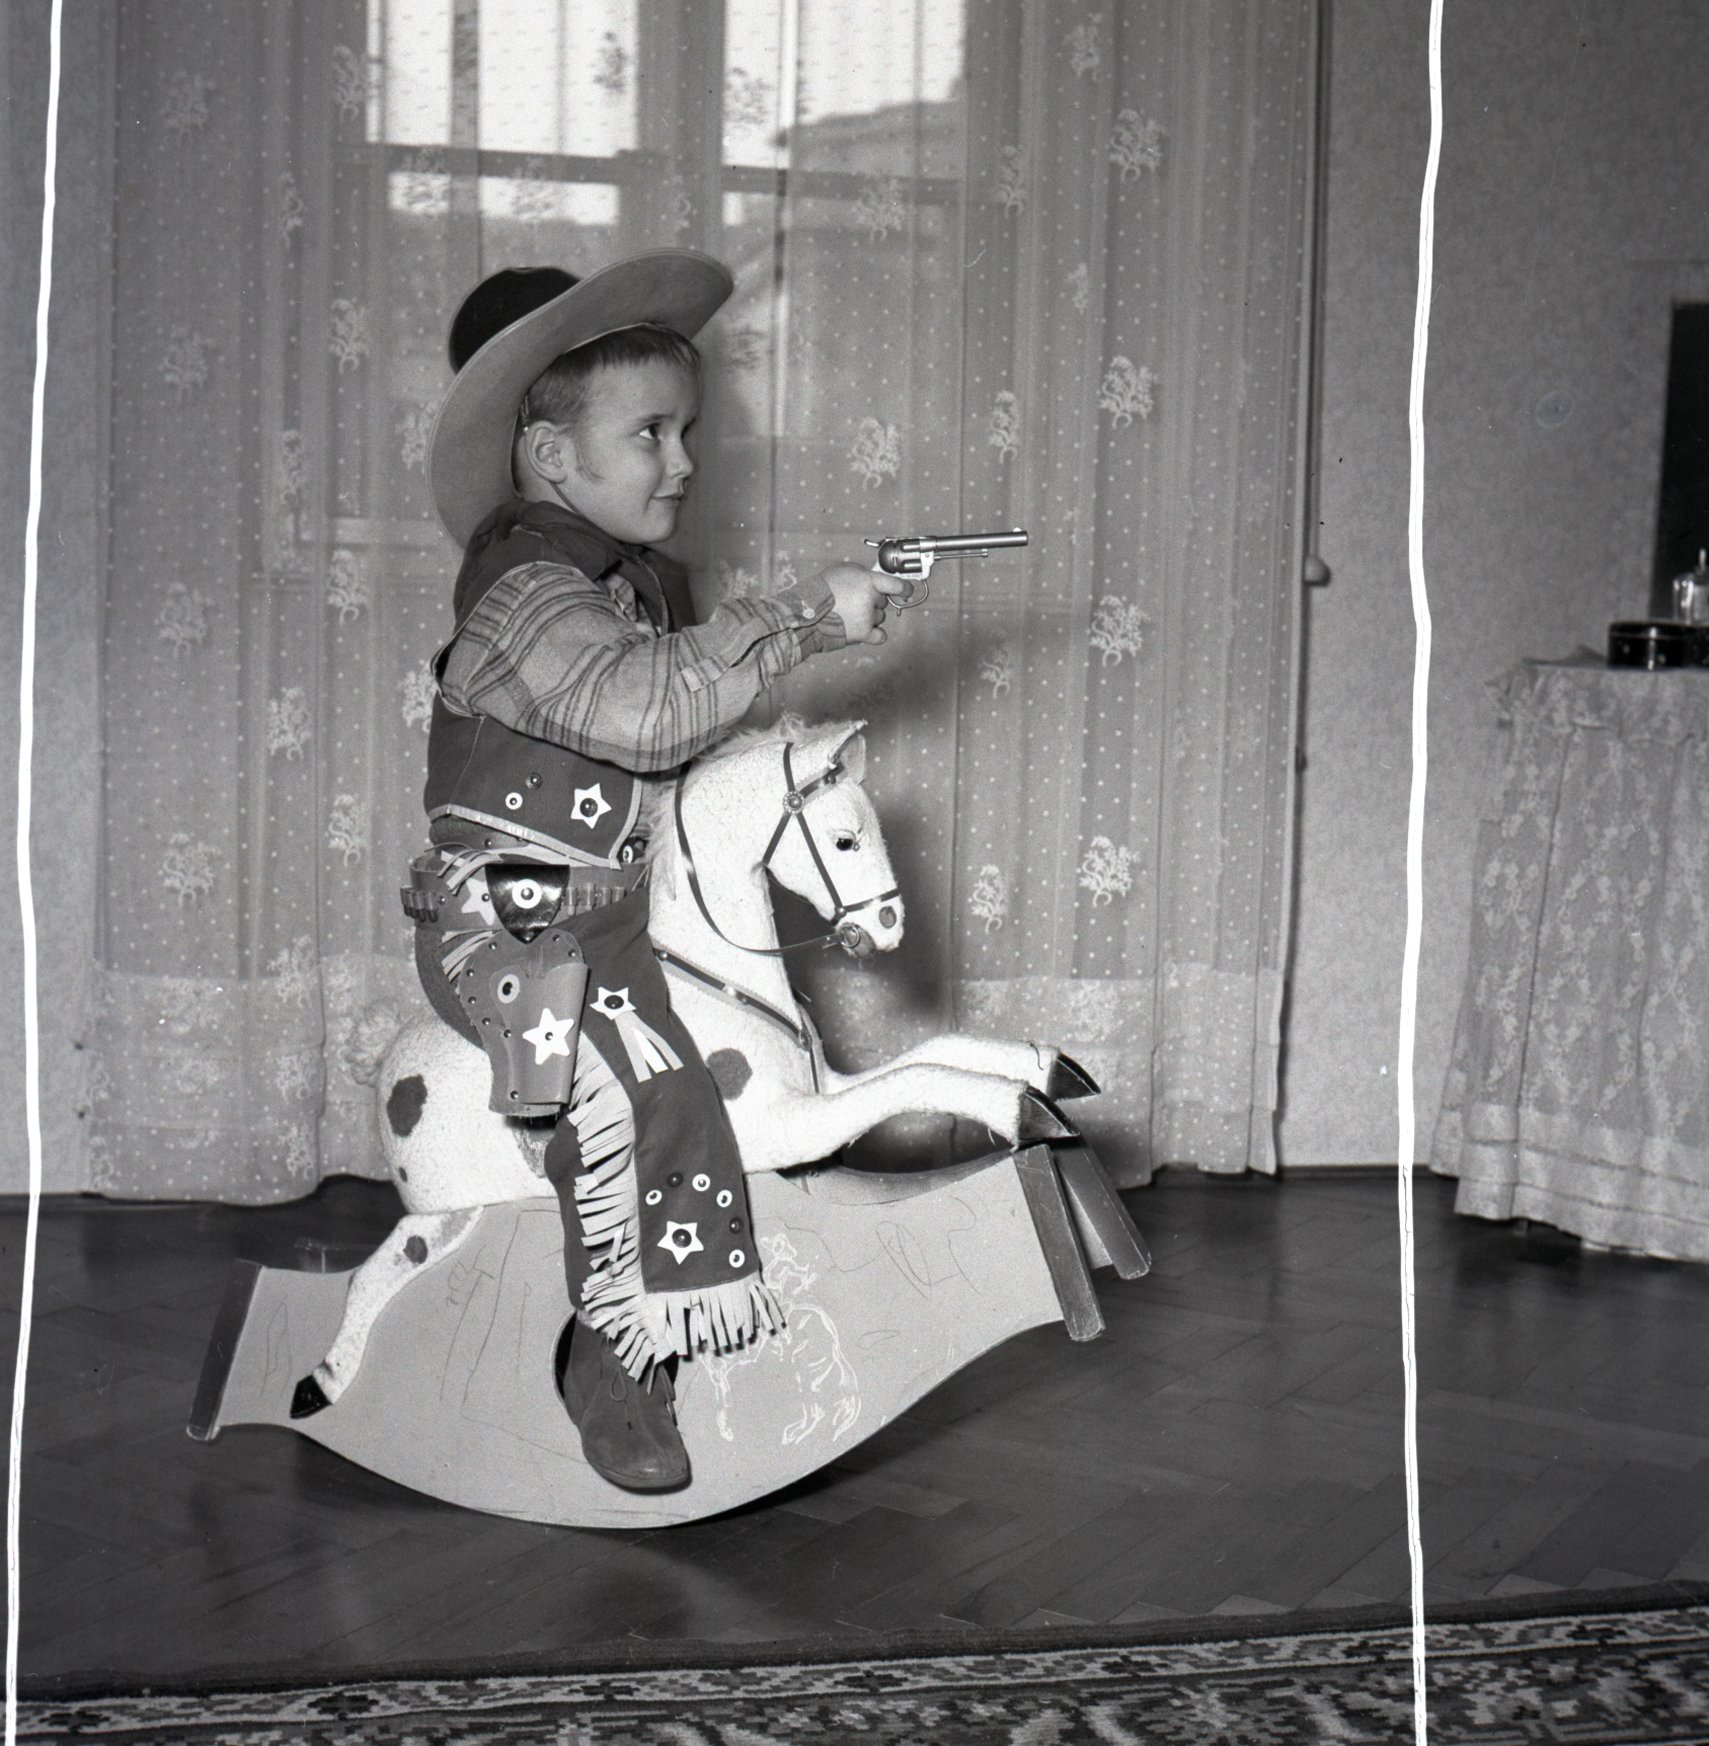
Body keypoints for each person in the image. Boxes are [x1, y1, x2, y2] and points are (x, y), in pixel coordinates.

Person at [408, 250, 905, 1492]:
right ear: (549, 454)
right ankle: (613, 1359)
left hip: (610, 920)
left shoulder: (616, 589)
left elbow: (676, 746)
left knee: (725, 1042)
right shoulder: (526, 593)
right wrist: (802, 616)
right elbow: (641, 712)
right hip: (509, 926)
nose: (681, 461)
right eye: (650, 434)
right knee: (634, 1093)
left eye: (685, 431)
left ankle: (736, 1286)